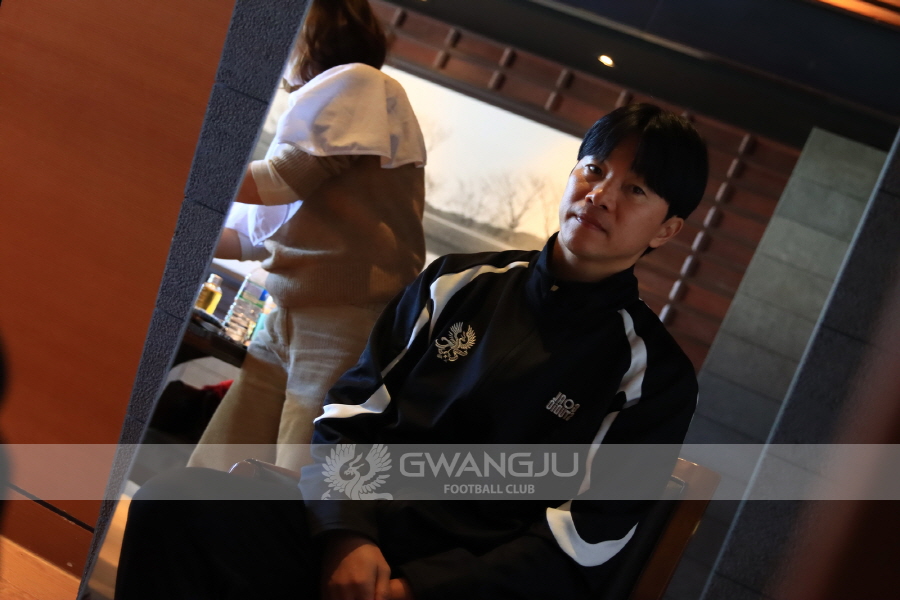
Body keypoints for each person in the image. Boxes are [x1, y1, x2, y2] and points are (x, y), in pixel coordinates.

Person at [115, 103, 708, 600]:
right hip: (357, 534)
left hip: (468, 586)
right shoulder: (457, 283)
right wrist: (348, 537)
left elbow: (583, 539)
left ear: (666, 230)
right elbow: (351, 414)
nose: (600, 195)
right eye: (594, 169)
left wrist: (414, 590)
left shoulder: (654, 376)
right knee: (178, 501)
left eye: (634, 189)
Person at [188, 0, 427, 472]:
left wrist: (183, 168)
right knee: (215, 469)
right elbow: (255, 239)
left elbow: (281, 181)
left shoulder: (359, 82)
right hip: (289, 314)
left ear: (316, 35)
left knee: (294, 477)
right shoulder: (326, 106)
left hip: (342, 320)